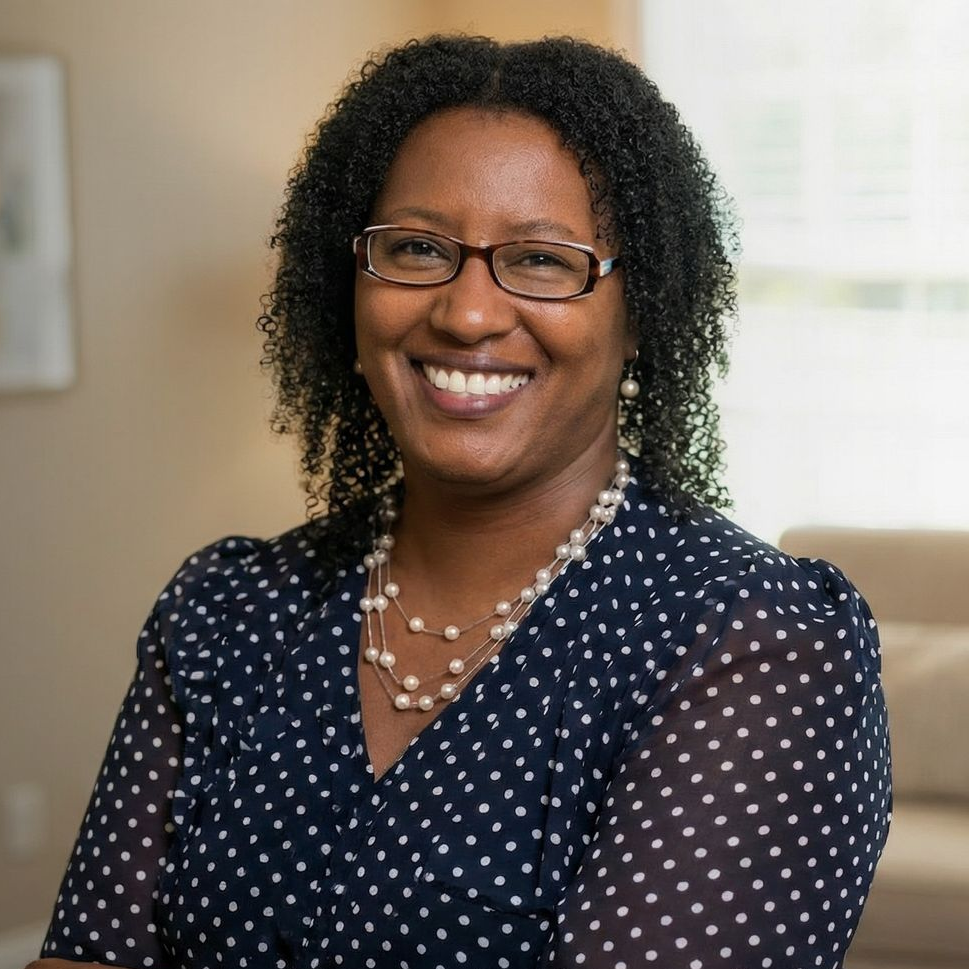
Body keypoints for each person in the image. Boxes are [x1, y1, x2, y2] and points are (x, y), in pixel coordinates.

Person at [33, 35, 890, 969]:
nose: (467, 312)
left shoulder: (752, 643)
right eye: (415, 248)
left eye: (541, 260)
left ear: (641, 310)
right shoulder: (226, 611)